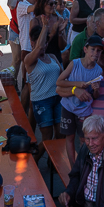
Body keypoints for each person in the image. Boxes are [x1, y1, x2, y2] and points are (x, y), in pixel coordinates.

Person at [57, 35, 104, 165]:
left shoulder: (98, 71)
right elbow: (59, 82)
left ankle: (83, 165)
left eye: (99, 50)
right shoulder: (75, 63)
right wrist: (77, 84)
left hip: (84, 110)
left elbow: (95, 95)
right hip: (68, 106)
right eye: (93, 49)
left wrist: (96, 90)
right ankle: (73, 166)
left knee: (84, 139)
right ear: (85, 49)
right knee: (70, 136)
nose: (96, 53)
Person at [24, 18, 63, 156]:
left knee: (61, 134)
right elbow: (39, 48)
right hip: (42, 102)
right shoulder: (29, 60)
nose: (44, 45)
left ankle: (53, 162)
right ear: (32, 42)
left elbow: (62, 76)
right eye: (40, 42)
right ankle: (34, 162)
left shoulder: (52, 56)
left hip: (58, 99)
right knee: (47, 138)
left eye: (46, 42)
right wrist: (46, 25)